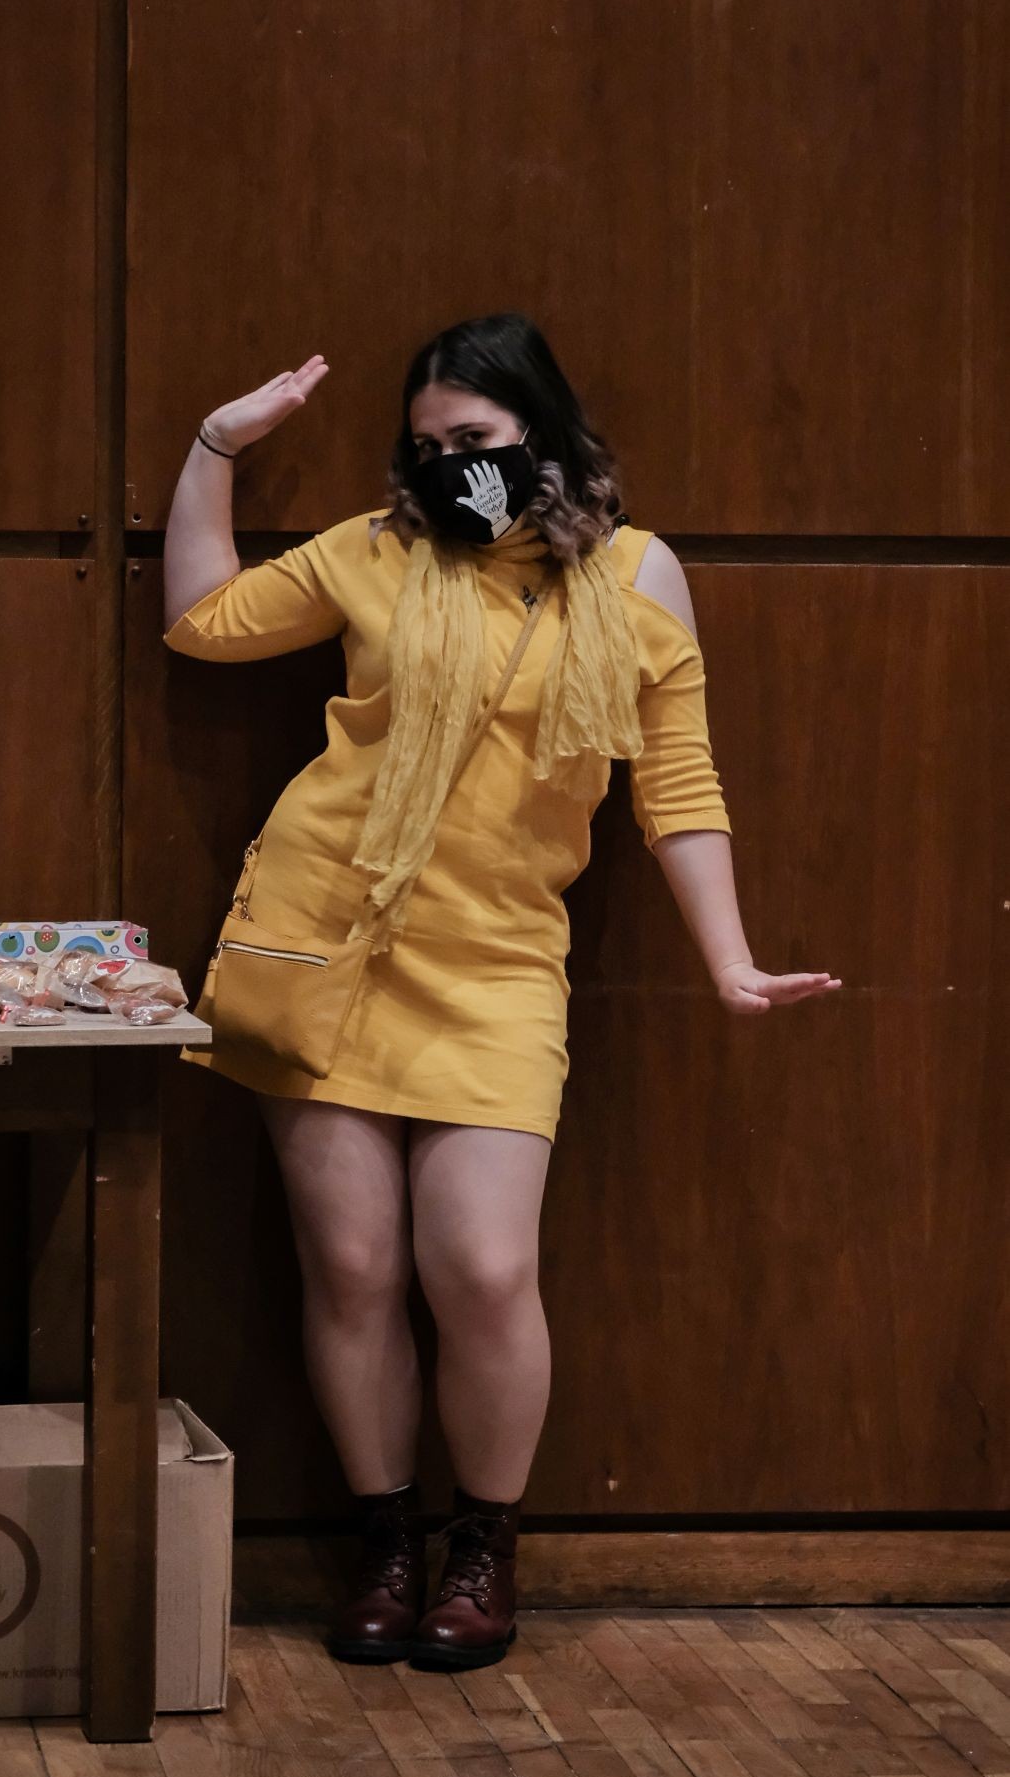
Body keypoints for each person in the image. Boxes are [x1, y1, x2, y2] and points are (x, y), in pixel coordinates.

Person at [162, 312, 839, 1672]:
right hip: (324, 937)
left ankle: (482, 1547)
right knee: (353, 1266)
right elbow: (203, 623)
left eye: (472, 438)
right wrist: (215, 444)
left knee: (479, 1267)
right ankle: (384, 1540)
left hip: (499, 962)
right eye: (425, 447)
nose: (450, 467)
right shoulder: (377, 548)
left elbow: (676, 782)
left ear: (541, 428)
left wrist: (728, 958)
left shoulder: (639, 575)